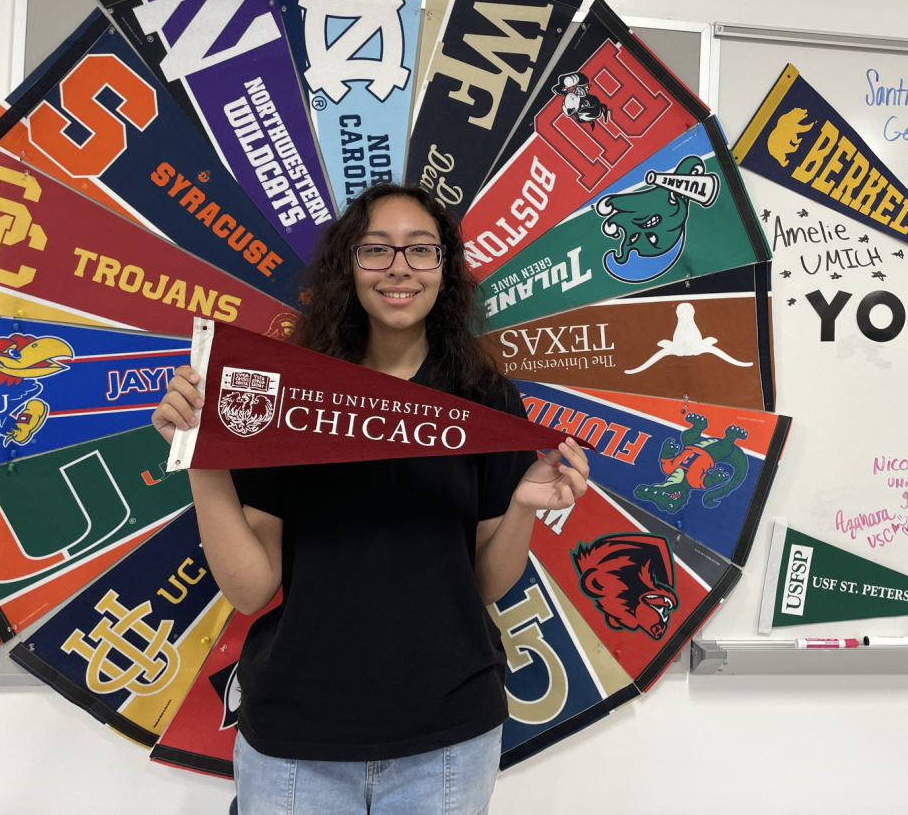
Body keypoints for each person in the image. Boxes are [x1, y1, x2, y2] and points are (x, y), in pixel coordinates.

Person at [152, 184, 589, 815]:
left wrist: (522, 505)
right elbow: (250, 589)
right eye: (376, 250)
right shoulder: (288, 393)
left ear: (446, 269)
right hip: (297, 739)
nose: (399, 269)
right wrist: (202, 456)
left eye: (421, 250)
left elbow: (486, 584)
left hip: (447, 738)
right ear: (347, 266)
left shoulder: (483, 396)